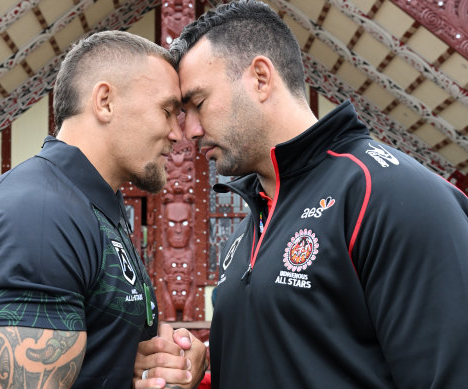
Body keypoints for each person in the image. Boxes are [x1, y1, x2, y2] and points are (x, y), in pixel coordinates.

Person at [139, 0, 468, 387]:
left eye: (198, 104)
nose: (190, 131)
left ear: (261, 78)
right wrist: (199, 370)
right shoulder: (249, 227)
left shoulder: (390, 196)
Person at [0, 30, 205, 389]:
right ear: (105, 101)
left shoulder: (94, 207)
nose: (178, 134)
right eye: (168, 111)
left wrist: (159, 366)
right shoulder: (38, 215)